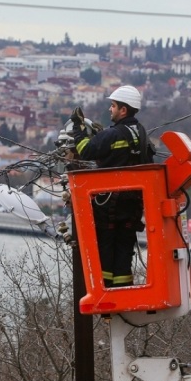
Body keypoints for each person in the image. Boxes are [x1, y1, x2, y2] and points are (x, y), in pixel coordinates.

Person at [71, 85, 155, 288]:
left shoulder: (114, 134)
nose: (110, 109)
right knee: (124, 252)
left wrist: (78, 129)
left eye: (113, 105)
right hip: (133, 206)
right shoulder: (141, 133)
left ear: (123, 110)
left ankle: (106, 293)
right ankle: (122, 291)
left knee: (105, 250)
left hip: (109, 206)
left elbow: (86, 150)